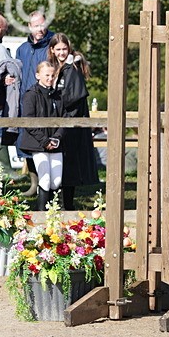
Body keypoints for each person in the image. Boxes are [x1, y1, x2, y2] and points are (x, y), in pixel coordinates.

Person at [48, 33, 98, 209]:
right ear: (52, 50)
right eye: (58, 49)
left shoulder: (72, 69)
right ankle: (58, 205)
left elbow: (73, 98)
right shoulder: (58, 68)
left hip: (70, 123)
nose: (61, 52)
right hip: (60, 120)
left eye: (64, 49)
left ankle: (67, 206)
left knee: (68, 166)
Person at [18, 61, 65, 210]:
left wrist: (56, 138)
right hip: (38, 143)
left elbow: (64, 118)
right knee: (44, 179)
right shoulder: (31, 94)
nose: (50, 78)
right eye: (47, 75)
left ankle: (55, 213)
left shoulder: (58, 95)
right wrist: (45, 141)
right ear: (38, 75)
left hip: (55, 142)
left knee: (56, 181)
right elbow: (29, 121)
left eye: (52, 75)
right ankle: (41, 213)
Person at [17, 12, 54, 94]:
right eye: (36, 26)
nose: (40, 29)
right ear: (29, 26)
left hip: (44, 100)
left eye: (42, 25)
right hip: (24, 101)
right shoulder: (22, 49)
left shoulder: (54, 46)